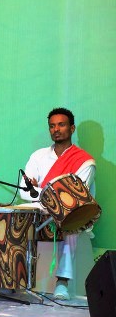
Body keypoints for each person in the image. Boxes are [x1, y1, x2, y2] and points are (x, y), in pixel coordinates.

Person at [20, 107, 96, 300]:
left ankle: (62, 282)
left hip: (69, 212)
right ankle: (15, 278)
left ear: (72, 128)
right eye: (52, 126)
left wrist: (38, 191)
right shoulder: (38, 156)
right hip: (40, 210)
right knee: (13, 215)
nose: (56, 129)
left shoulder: (85, 162)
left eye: (61, 125)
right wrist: (42, 194)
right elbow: (23, 190)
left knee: (71, 223)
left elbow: (73, 197)